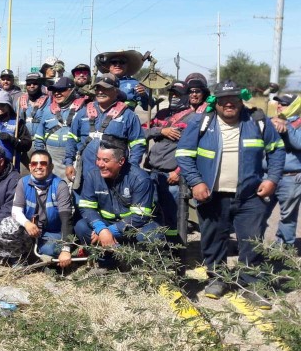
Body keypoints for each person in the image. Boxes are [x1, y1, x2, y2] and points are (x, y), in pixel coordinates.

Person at [176, 81, 285, 307]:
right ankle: (217, 279)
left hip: (250, 196)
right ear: (215, 101)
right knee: (213, 240)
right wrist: (196, 182)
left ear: (240, 99)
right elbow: (184, 154)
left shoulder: (257, 120)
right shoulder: (201, 121)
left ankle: (251, 285)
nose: (228, 103)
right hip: (212, 196)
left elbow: (276, 151)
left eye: (233, 98)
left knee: (252, 242)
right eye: (223, 99)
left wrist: (272, 179)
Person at [75, 135, 164, 266]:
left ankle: (144, 265)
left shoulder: (140, 179)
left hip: (136, 226)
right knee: (81, 226)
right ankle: (108, 261)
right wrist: (101, 229)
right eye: (98, 159)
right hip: (106, 224)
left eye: (105, 160)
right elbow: (86, 207)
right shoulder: (92, 175)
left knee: (151, 235)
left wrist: (110, 231)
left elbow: (140, 216)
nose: (100, 164)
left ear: (121, 161)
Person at [65, 73, 146, 189]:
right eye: (98, 88)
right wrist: (69, 163)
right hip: (85, 174)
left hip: (114, 176)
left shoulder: (128, 116)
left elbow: (138, 143)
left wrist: (131, 168)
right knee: (84, 200)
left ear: (116, 91)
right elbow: (72, 138)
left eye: (105, 88)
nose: (100, 92)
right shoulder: (83, 112)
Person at [0, 150, 74, 263]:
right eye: (34, 164)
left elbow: (66, 219)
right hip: (28, 228)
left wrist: (66, 249)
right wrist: (27, 223)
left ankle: (34, 256)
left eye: (43, 163)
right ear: (30, 167)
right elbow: (16, 211)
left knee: (50, 250)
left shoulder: (60, 185)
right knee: (7, 227)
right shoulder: (23, 182)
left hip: (52, 232)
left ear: (51, 167)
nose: (38, 167)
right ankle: (17, 257)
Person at [144, 81, 199, 246]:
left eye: (178, 94)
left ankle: (174, 249)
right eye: (171, 94)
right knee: (153, 213)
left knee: (173, 216)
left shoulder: (194, 118)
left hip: (172, 176)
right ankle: (157, 247)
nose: (174, 97)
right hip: (153, 172)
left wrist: (178, 172)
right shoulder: (161, 114)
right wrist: (160, 130)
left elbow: (195, 150)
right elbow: (141, 131)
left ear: (186, 96)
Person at [263, 94, 301, 252]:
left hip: (290, 178)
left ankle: (283, 252)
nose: (279, 106)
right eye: (278, 103)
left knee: (288, 217)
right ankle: (253, 247)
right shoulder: (270, 121)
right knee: (258, 213)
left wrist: (287, 127)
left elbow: (298, 144)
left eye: (284, 104)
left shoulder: (298, 123)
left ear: (294, 106)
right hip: (267, 177)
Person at [33, 77, 87, 180]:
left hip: (73, 159)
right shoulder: (48, 110)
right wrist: (41, 157)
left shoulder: (83, 111)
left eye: (61, 90)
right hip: (51, 158)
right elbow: (39, 137)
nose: (57, 93)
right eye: (54, 91)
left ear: (71, 90)